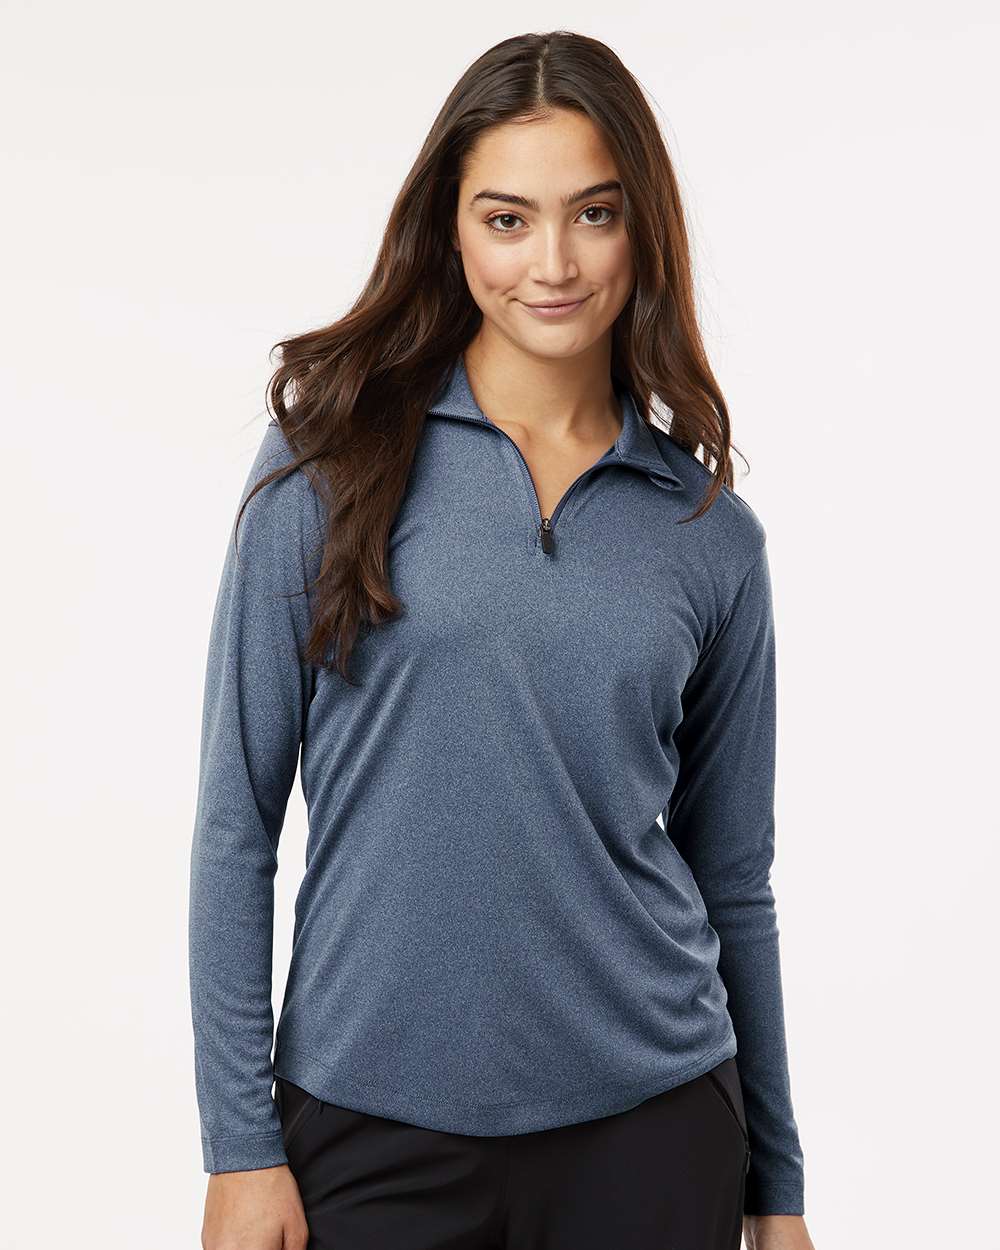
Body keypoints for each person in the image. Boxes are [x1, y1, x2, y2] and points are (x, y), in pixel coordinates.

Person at [188, 29, 816, 1250]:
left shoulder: (708, 535)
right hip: (366, 1124)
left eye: (594, 213)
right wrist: (240, 1145)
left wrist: (776, 1188)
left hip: (652, 1127)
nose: (554, 263)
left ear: (642, 229)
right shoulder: (326, 463)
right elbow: (234, 826)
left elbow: (734, 874)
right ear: (452, 231)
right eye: (508, 219)